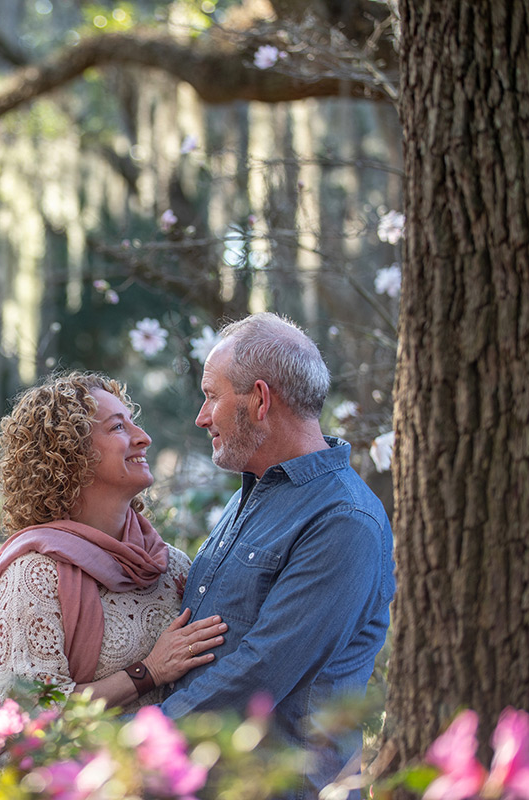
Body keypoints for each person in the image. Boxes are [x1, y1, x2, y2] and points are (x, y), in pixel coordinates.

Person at [157, 313, 395, 799]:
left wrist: (135, 736)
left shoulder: (343, 520)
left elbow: (262, 669)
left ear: (260, 399)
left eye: (212, 395)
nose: (202, 417)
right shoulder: (249, 494)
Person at [0, 371, 227, 710]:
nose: (143, 437)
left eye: (133, 423)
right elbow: (30, 711)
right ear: (70, 455)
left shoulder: (171, 564)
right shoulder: (34, 575)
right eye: (118, 427)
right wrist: (148, 672)